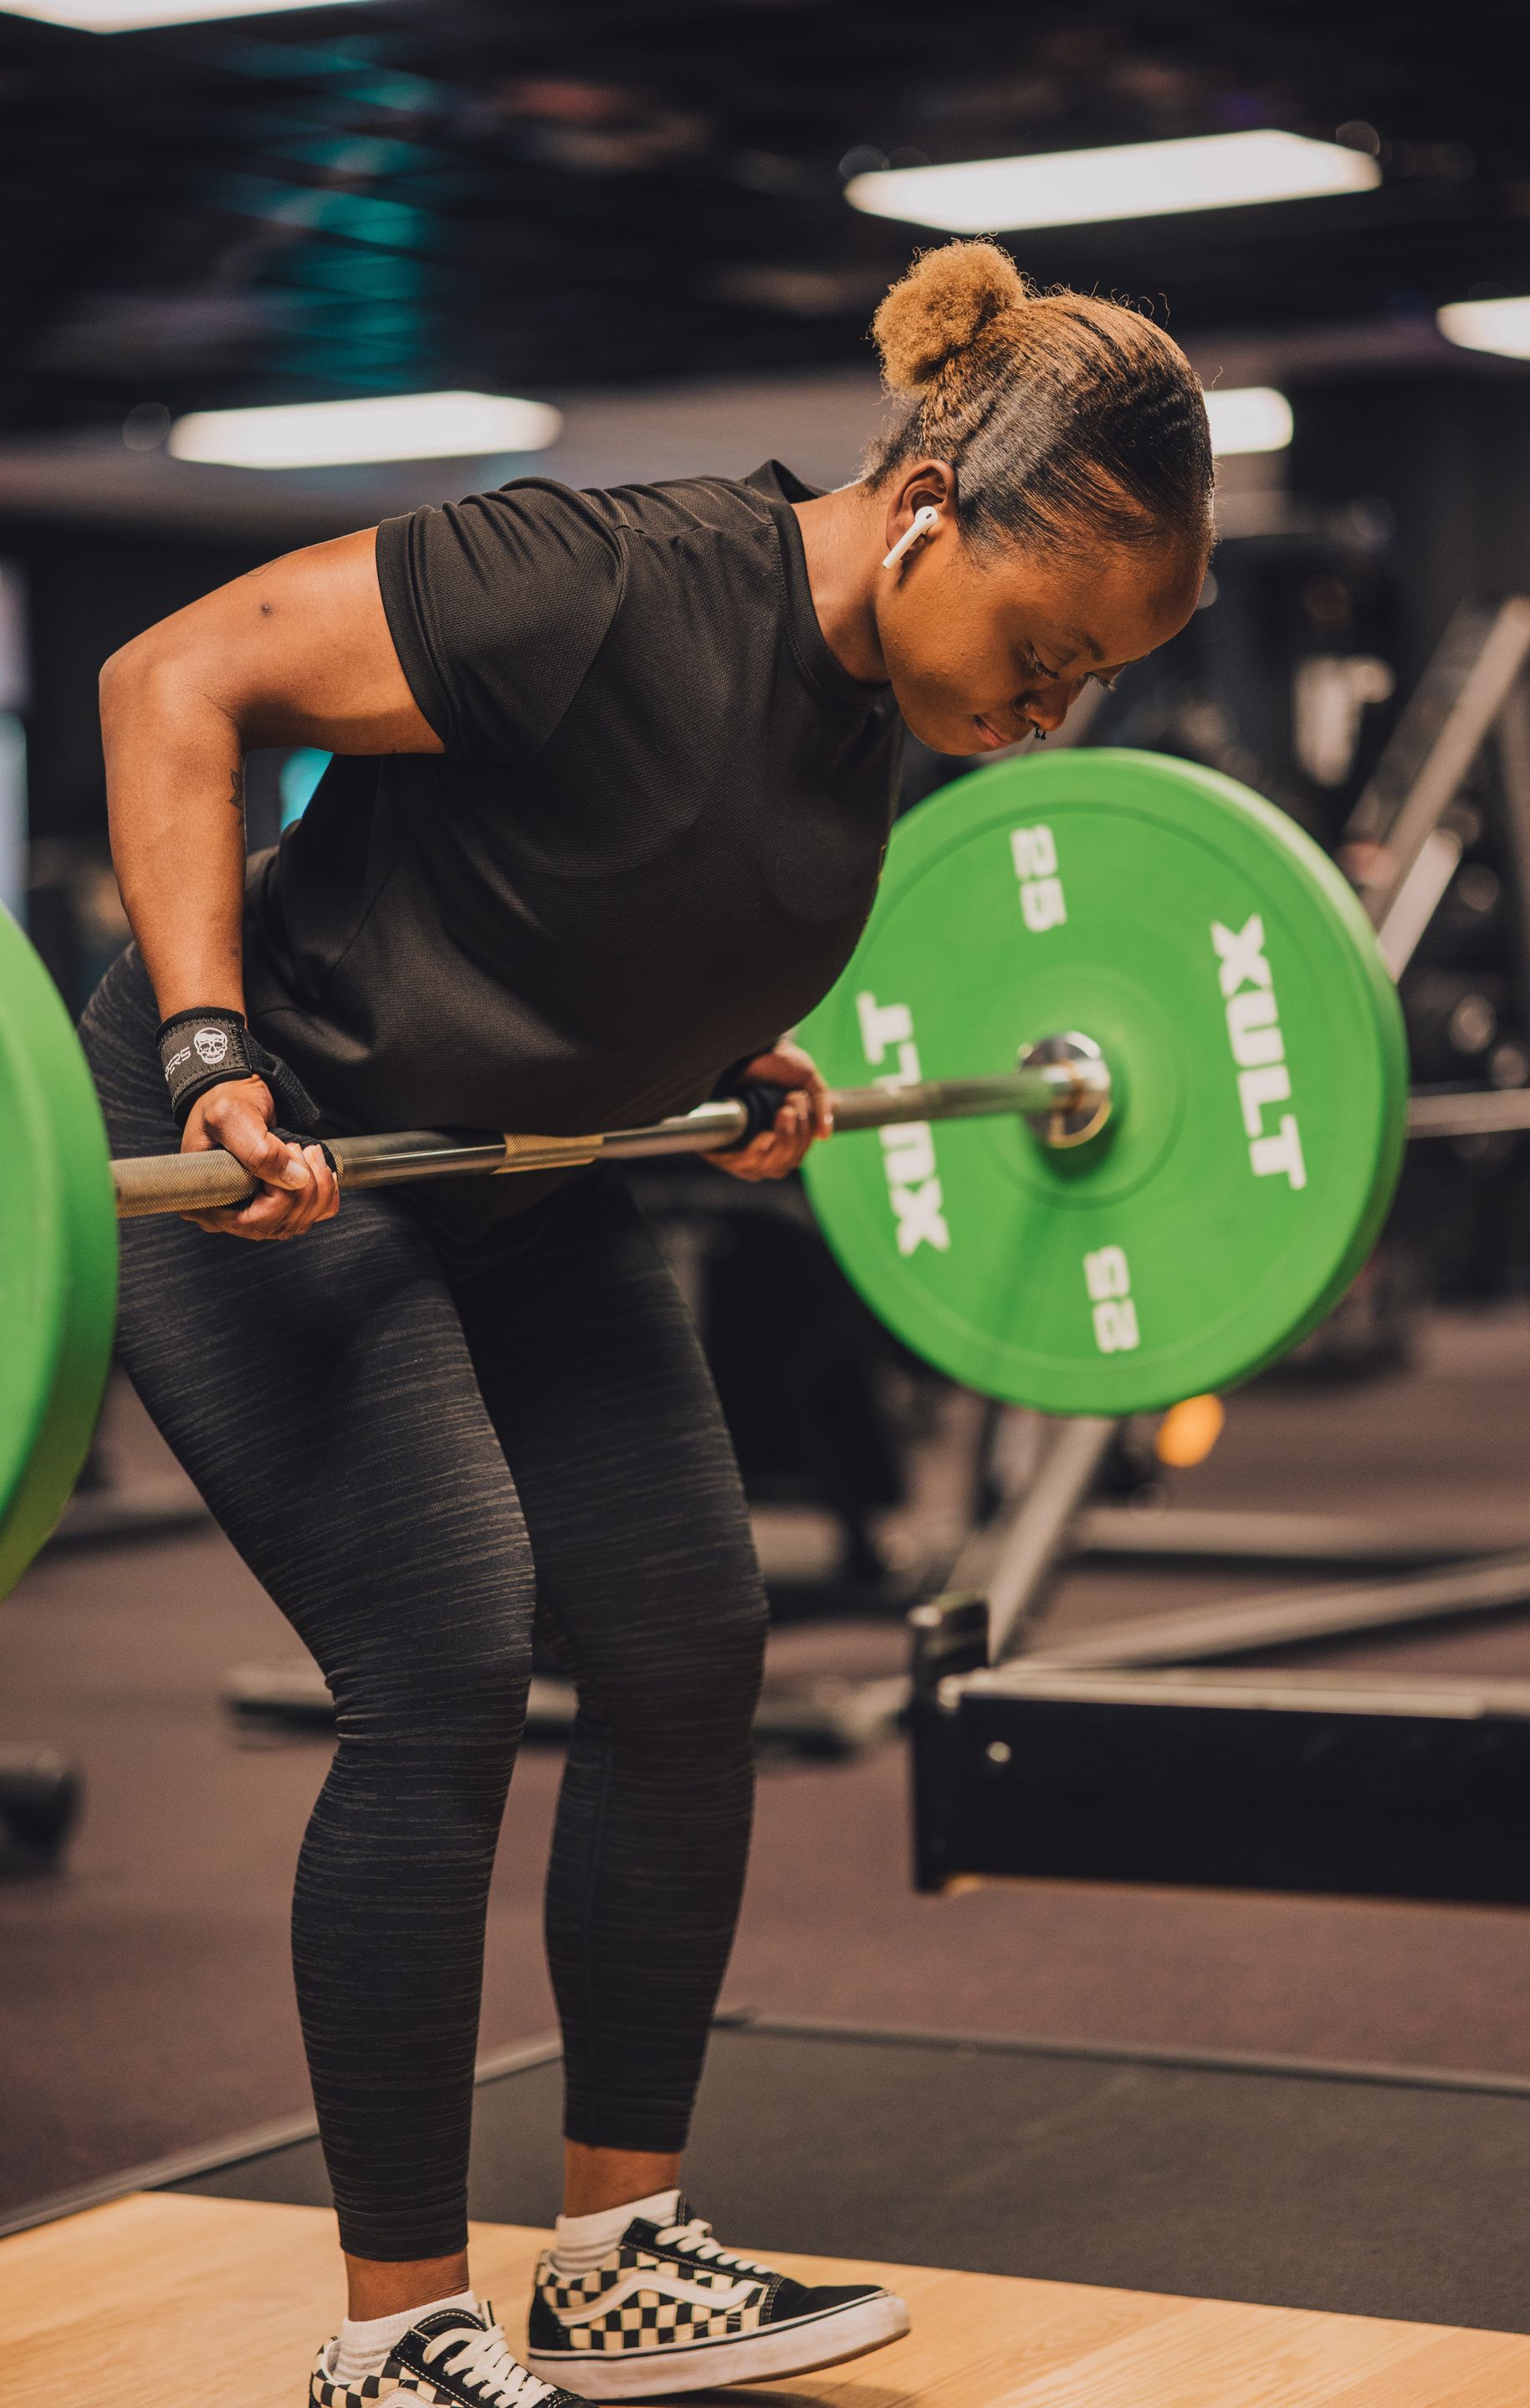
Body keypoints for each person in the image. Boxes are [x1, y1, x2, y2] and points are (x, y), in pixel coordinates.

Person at [81, 238, 1212, 2406]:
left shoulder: (885, 691)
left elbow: (623, 882)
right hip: (268, 1149)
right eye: (1047, 651)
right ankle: (396, 2331)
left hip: (534, 1167)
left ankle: (615, 2255)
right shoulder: (594, 584)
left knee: (690, 1638)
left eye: (1092, 687)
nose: (1049, 711)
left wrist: (726, 1057)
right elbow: (167, 683)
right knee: (443, 1650)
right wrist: (217, 1043)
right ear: (925, 509)